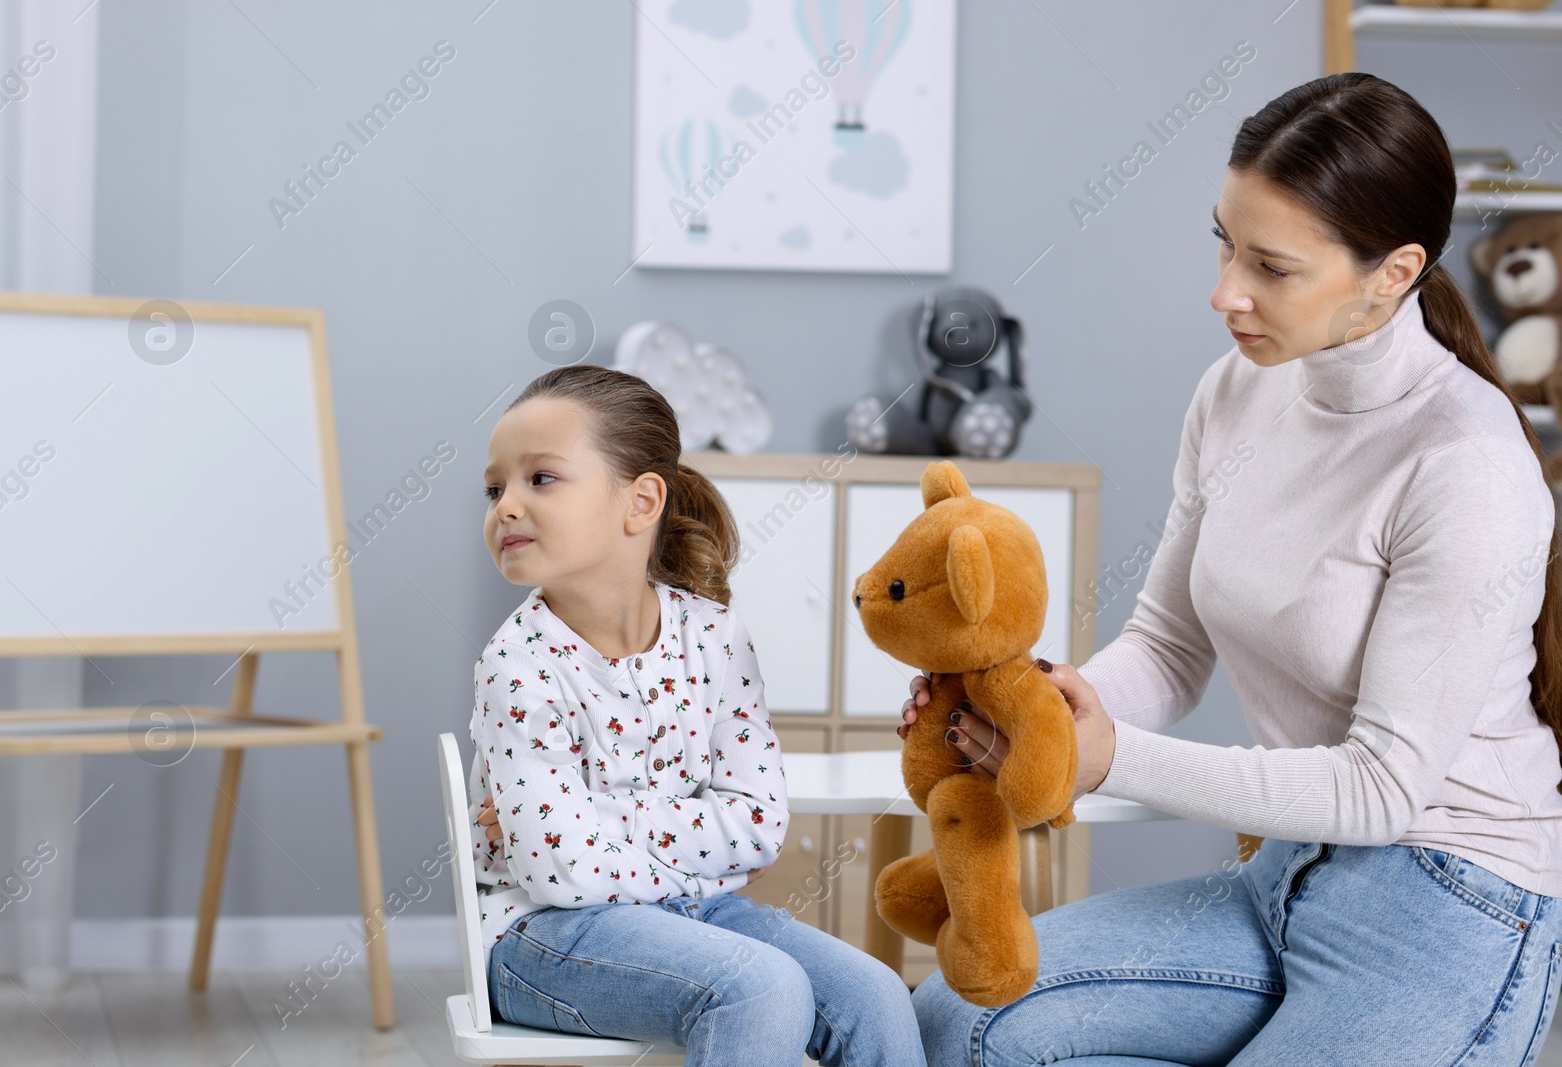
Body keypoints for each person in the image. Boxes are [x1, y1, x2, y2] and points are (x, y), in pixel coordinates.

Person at [899, 72, 1562, 1065]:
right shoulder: (1236, 392)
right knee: (959, 1018)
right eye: (1223, 240)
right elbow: (1167, 646)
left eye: (1271, 266)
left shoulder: (1464, 462)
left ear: (1392, 272)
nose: (1224, 292)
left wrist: (1108, 757)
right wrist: (1040, 709)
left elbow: (1383, 787)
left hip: (1449, 900)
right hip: (1285, 874)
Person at [466, 363, 924, 1066]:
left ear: (641, 500)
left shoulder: (714, 635)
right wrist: (692, 848)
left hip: (697, 915)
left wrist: (597, 814)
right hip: (546, 935)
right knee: (760, 988)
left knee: (876, 994)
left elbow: (760, 823)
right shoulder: (517, 663)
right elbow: (558, 874)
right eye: (496, 487)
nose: (506, 505)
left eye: (541, 478)